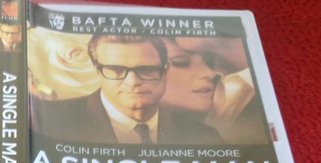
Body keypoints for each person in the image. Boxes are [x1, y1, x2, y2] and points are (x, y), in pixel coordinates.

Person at [31, 35, 221, 144]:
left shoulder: (204, 136)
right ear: (98, 71)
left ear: (165, 71)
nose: (133, 82)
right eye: (116, 70)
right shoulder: (47, 121)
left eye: (146, 70)